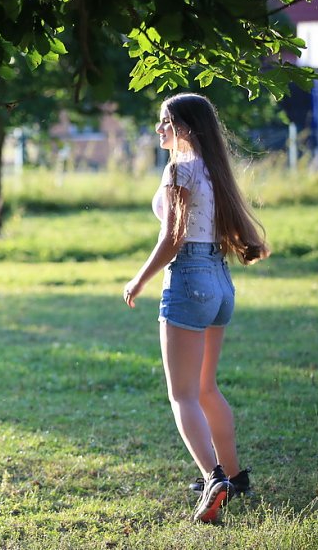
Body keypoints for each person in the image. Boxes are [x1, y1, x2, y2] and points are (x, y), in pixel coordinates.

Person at [123, 93, 269, 523]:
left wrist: (138, 279)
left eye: (165, 122)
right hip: (221, 282)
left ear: (184, 126)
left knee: (182, 394)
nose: (159, 129)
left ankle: (214, 479)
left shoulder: (179, 169)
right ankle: (236, 476)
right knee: (206, 388)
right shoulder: (214, 171)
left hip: (189, 278)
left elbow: (172, 238)